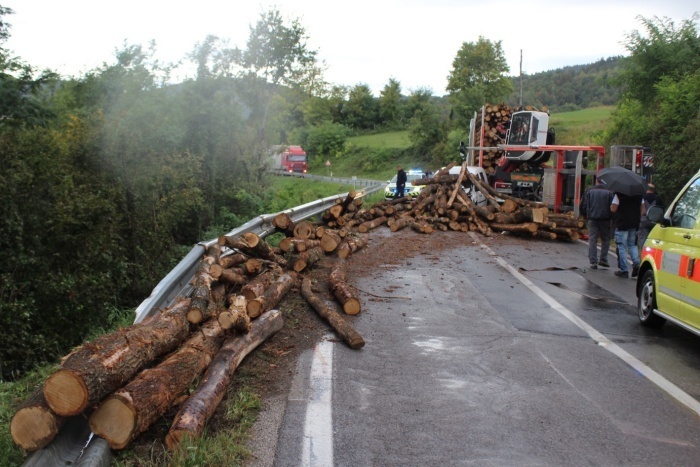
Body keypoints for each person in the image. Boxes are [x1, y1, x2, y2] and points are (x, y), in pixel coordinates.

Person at [610, 192, 645, 278]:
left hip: (622, 223)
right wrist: (636, 216)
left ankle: (624, 270)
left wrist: (611, 207)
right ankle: (636, 264)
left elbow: (613, 209)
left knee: (621, 246)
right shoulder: (639, 195)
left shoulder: (619, 194)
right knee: (632, 245)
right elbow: (643, 209)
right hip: (634, 223)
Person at [582, 181, 614, 269]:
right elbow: (612, 207)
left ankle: (593, 261)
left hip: (592, 219)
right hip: (605, 219)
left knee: (592, 239)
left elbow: (585, 205)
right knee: (605, 239)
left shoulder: (590, 192)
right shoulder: (609, 193)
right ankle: (603, 259)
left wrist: (586, 215)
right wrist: (612, 218)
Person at [637, 183, 664, 253]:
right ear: (653, 190)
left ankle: (643, 255)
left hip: (643, 221)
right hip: (655, 223)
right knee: (653, 241)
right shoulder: (658, 198)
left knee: (642, 240)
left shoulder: (642, 197)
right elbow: (662, 211)